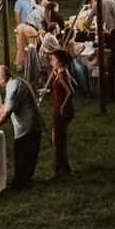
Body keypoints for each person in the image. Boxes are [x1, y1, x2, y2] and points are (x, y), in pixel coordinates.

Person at [0, 64, 42, 188]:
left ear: (2, 78)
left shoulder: (13, 88)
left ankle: (21, 184)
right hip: (27, 125)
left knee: (23, 155)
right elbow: (6, 106)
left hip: (28, 126)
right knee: (22, 154)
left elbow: (6, 114)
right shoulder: (14, 82)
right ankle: (23, 182)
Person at [47, 49, 75, 177]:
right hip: (61, 108)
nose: (51, 62)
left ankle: (57, 170)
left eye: (54, 60)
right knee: (60, 139)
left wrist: (63, 105)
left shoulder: (62, 74)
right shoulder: (62, 72)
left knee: (56, 140)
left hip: (60, 110)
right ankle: (65, 168)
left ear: (61, 62)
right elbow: (75, 85)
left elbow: (70, 91)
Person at [14, 0, 39, 68]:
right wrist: (19, 25)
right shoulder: (19, 2)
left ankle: (24, 62)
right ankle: (19, 64)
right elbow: (16, 14)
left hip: (31, 26)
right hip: (22, 26)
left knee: (30, 45)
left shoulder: (33, 1)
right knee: (20, 46)